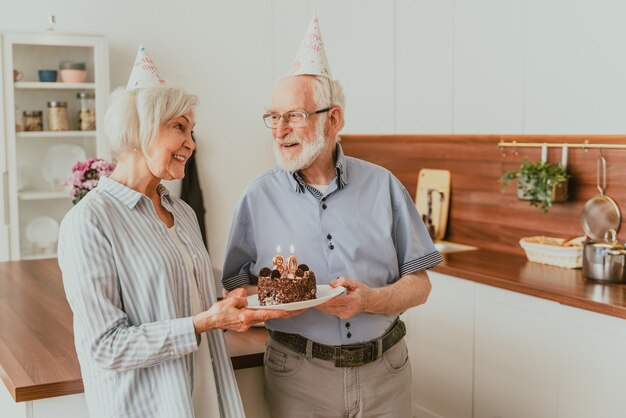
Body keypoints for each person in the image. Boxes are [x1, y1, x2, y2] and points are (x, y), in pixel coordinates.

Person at [222, 17, 442, 417]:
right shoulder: (257, 197)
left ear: (333, 119)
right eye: (273, 117)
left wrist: (371, 300)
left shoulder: (384, 185)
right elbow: (236, 296)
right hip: (298, 377)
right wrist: (298, 295)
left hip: (386, 374)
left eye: (293, 116)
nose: (279, 130)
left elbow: (420, 285)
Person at [58, 46, 287, 418]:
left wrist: (248, 302)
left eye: (192, 131)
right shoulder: (89, 222)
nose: (191, 143)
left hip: (206, 399)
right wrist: (204, 322)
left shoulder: (182, 212)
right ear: (140, 130)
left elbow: (191, 300)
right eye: (178, 127)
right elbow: (106, 346)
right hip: (148, 407)